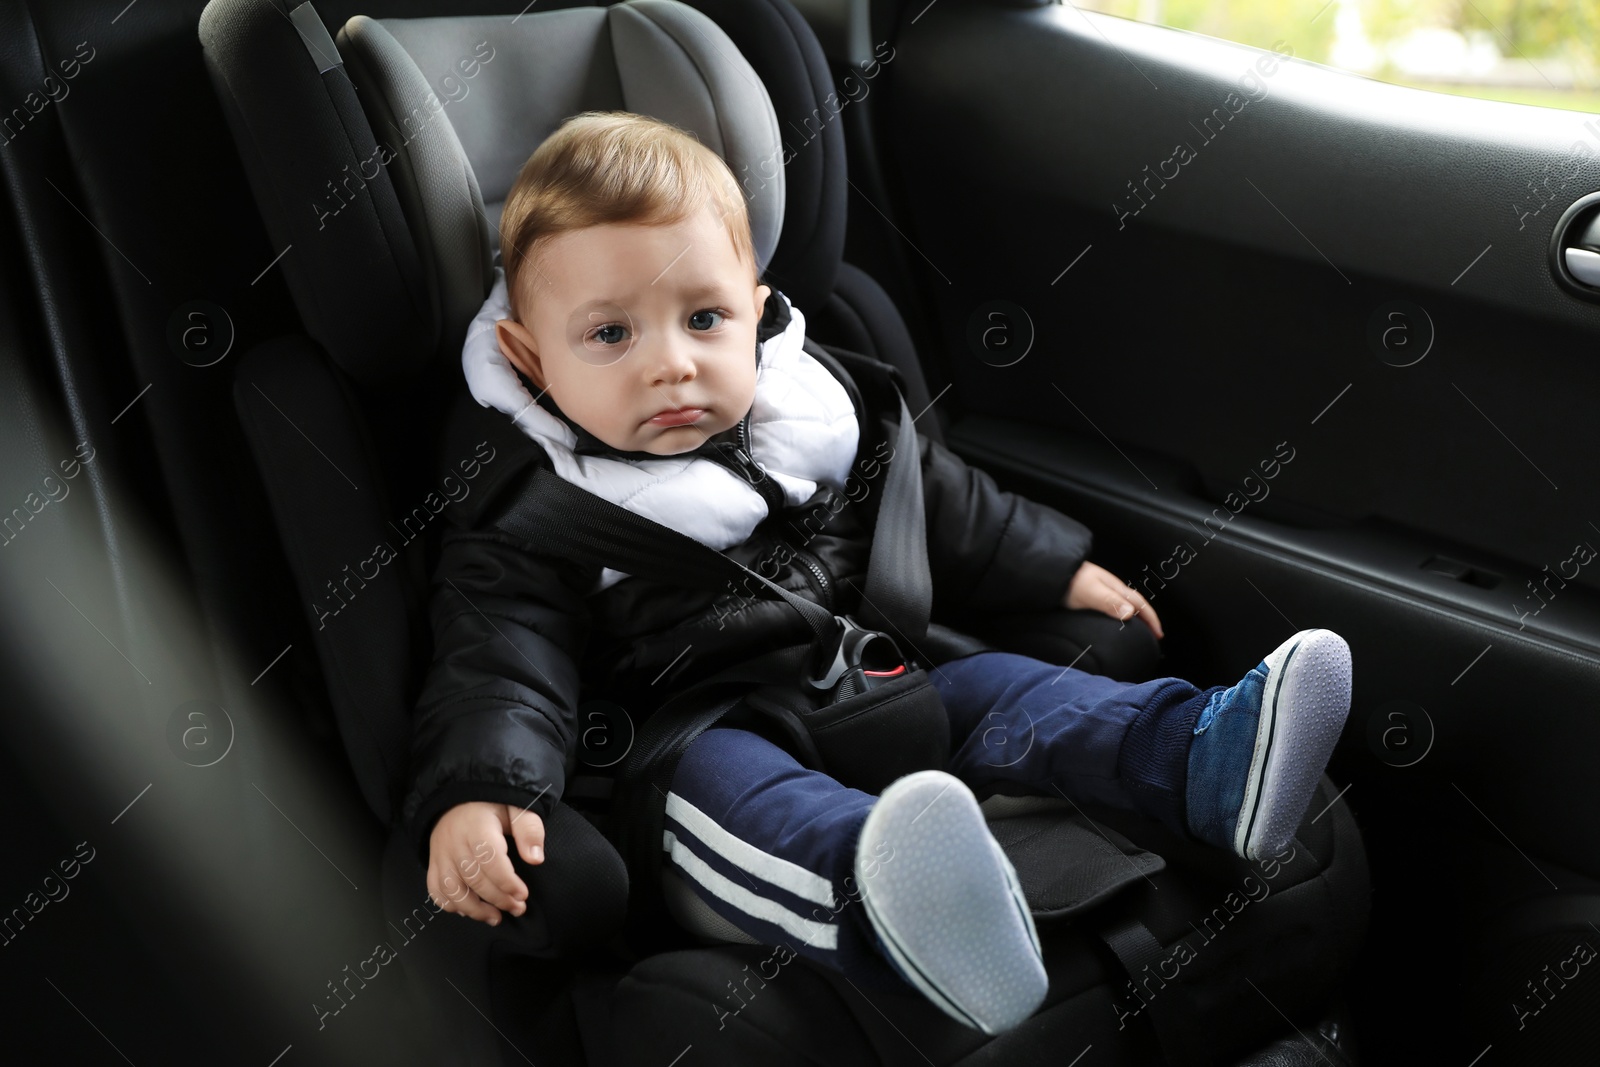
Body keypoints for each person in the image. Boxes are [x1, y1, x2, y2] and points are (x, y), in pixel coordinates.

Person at [403, 110, 1353, 1035]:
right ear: (528, 356)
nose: (673, 365)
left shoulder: (812, 411)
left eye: (703, 317)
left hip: (872, 682)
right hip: (690, 742)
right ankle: (897, 903)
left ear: (756, 305)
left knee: (1006, 687)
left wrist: (1051, 567)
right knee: (753, 796)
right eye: (610, 335)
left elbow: (931, 496)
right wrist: (485, 788)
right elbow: (499, 664)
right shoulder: (538, 510)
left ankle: (1203, 759)